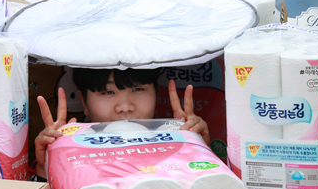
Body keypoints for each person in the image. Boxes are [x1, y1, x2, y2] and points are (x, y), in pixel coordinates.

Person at [34, 69, 210, 176]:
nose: (125, 107)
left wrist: (197, 149)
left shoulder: (178, 140)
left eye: (138, 89)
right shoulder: (70, 153)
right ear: (84, 102)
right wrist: (46, 168)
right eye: (107, 92)